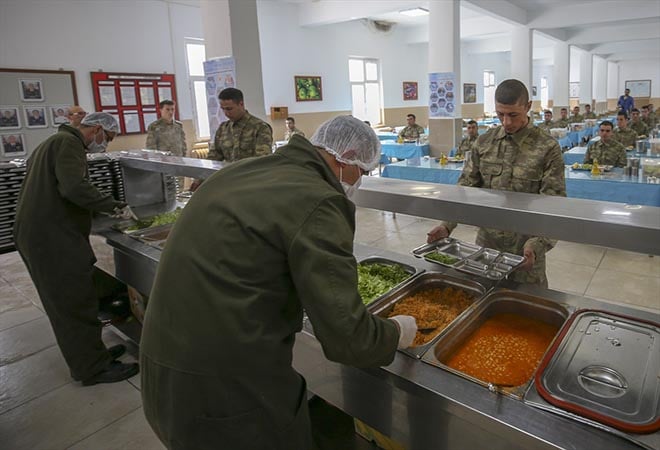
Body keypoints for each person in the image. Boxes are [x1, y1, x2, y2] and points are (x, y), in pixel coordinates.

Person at [140, 116, 417, 450]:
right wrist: (396, 332)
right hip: (227, 396)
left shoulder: (240, 171)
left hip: (163, 375)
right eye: (364, 170)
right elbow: (349, 340)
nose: (360, 180)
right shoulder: (320, 200)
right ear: (346, 158)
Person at [13, 112, 138, 386]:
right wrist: (114, 206)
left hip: (40, 232)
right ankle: (92, 369)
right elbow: (73, 188)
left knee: (75, 297)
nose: (105, 144)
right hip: (50, 237)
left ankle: (92, 355)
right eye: (108, 138)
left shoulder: (52, 142)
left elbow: (57, 187)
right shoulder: (68, 143)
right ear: (96, 129)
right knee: (73, 302)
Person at [426, 79, 566, 287]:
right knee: (482, 297)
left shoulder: (547, 148)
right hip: (487, 246)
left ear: (528, 107)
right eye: (501, 114)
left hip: (526, 249)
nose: (506, 122)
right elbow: (465, 189)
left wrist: (537, 245)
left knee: (529, 305)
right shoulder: (484, 143)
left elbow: (554, 205)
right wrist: (447, 225)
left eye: (513, 115)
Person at [208, 87, 273, 162]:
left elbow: (262, 161)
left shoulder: (260, 127)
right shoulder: (223, 129)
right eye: (223, 109)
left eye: (229, 109)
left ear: (241, 104)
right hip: (230, 173)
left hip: (251, 173)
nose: (226, 113)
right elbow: (213, 158)